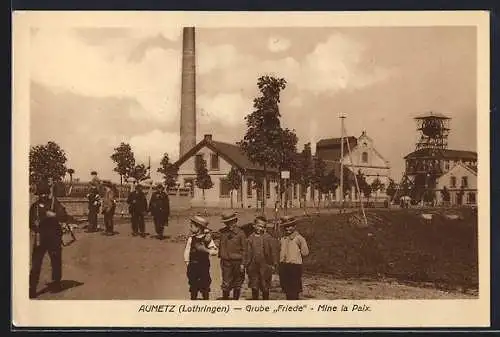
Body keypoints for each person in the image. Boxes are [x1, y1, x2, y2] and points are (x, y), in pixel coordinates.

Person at [29, 180, 68, 298]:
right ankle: (32, 288)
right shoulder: (34, 207)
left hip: (54, 238)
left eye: (45, 193)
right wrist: (34, 224)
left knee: (56, 262)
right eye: (41, 194)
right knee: (35, 264)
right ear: (38, 195)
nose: (43, 196)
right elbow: (30, 222)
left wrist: (55, 215)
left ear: (48, 193)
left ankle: (56, 284)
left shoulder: (54, 203)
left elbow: (64, 216)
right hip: (40, 239)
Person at [183, 215, 218, 300]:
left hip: (203, 265)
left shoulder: (207, 239)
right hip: (193, 265)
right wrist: (187, 262)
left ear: (198, 227)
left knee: (205, 282)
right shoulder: (191, 239)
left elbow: (215, 251)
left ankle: (205, 298)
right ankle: (193, 298)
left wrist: (206, 250)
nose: (190, 228)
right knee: (193, 282)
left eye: (192, 226)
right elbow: (187, 250)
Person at [244, 217, 279, 300]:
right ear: (254, 226)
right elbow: (247, 252)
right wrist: (246, 265)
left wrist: (274, 264)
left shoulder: (268, 237)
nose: (261, 228)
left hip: (265, 265)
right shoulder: (250, 238)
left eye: (263, 227)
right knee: (254, 286)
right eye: (259, 226)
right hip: (253, 266)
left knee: (265, 286)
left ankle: (265, 302)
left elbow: (273, 252)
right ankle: (255, 302)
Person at [278, 215, 309, 300]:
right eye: (285, 227)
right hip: (284, 266)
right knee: (286, 288)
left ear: (295, 226)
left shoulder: (299, 238)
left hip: (294, 266)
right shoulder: (283, 238)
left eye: (290, 226)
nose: (287, 229)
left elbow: (305, 252)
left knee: (294, 289)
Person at [218, 211, 246, 300]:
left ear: (235, 221)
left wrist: (243, 264)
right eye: (226, 222)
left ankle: (235, 301)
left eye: (231, 222)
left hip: (238, 262)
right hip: (226, 261)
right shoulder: (223, 232)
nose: (229, 224)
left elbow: (245, 250)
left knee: (237, 282)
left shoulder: (241, 233)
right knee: (226, 282)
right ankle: (225, 300)